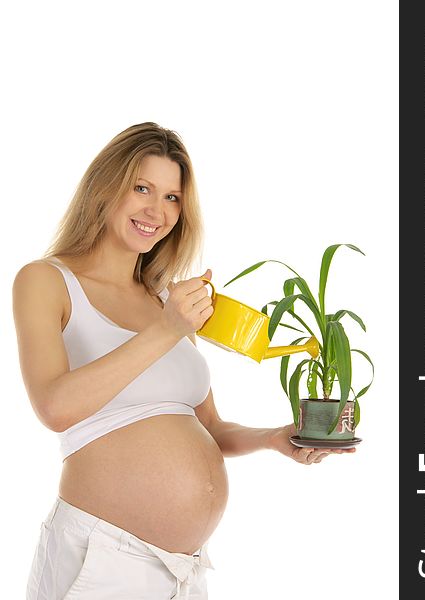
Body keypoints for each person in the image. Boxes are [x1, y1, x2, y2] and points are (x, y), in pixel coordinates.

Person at [12, 122, 354, 600]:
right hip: (100, 559)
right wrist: (169, 329)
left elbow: (209, 427)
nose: (157, 210)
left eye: (173, 197)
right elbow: (54, 407)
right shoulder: (46, 281)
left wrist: (275, 439)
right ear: (104, 187)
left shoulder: (162, 300)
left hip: (183, 574)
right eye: (142, 188)